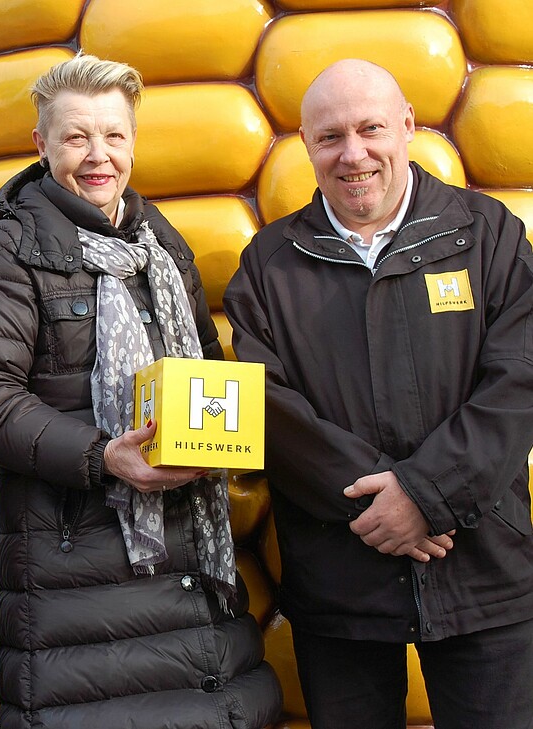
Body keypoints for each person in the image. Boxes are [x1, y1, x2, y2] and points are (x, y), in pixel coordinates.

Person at [0, 54, 282, 729]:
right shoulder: (7, 252)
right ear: (41, 145)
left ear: (133, 141)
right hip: (78, 567)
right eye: (75, 137)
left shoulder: (163, 246)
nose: (98, 155)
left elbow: (207, 371)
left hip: (189, 556)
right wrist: (104, 455)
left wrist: (227, 438)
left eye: (114, 136)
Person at [224, 58, 533, 729]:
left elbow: (519, 381)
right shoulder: (269, 267)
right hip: (341, 578)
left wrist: (427, 495)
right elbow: (270, 411)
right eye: (330, 137)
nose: (353, 153)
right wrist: (385, 504)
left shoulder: (490, 237)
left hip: (484, 568)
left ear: (407, 127)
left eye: (370, 129)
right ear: (306, 147)